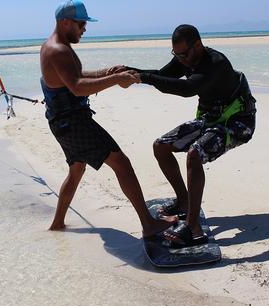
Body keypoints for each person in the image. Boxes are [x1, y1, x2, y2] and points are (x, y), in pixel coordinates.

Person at [40, 0, 176, 236]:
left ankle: (57, 224)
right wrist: (116, 80)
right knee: (122, 164)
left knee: (76, 171)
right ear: (65, 22)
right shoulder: (59, 50)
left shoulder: (53, 46)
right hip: (74, 124)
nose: (84, 29)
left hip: (61, 122)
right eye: (81, 24)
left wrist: (106, 72)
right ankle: (149, 224)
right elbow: (77, 86)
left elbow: (73, 75)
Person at [127, 24, 257, 247]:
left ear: (198, 44)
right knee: (161, 146)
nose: (181, 59)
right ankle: (184, 201)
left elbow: (186, 89)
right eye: (176, 54)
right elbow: (162, 76)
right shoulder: (185, 58)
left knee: (194, 154)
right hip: (210, 118)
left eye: (184, 54)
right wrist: (129, 72)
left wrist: (142, 78)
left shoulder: (216, 63)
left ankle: (192, 227)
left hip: (238, 122)